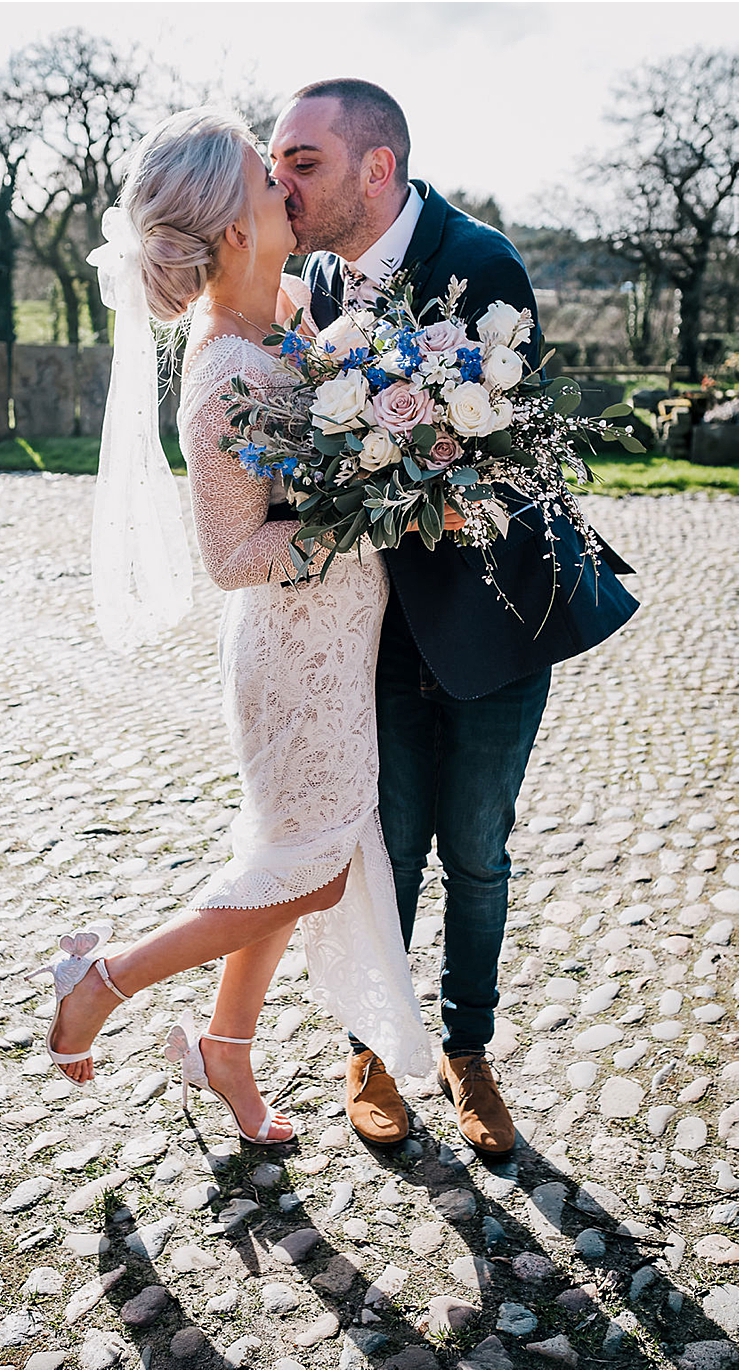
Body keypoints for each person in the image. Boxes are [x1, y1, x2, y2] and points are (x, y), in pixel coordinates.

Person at [50, 108, 435, 1146]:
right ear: (233, 233)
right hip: (293, 656)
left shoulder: (289, 321)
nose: (288, 195)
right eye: (270, 190)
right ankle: (108, 982)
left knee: (295, 852)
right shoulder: (223, 374)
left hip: (340, 644)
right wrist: (367, 511)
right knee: (321, 867)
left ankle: (227, 1051)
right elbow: (232, 558)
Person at [270, 79, 637, 1155]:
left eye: (304, 161)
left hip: (495, 616)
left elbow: (500, 451)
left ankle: (467, 1051)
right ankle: (374, 1044)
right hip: (373, 628)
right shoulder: (314, 280)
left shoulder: (483, 264)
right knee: (382, 849)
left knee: (476, 852)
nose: (281, 181)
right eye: (278, 159)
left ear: (376, 169)